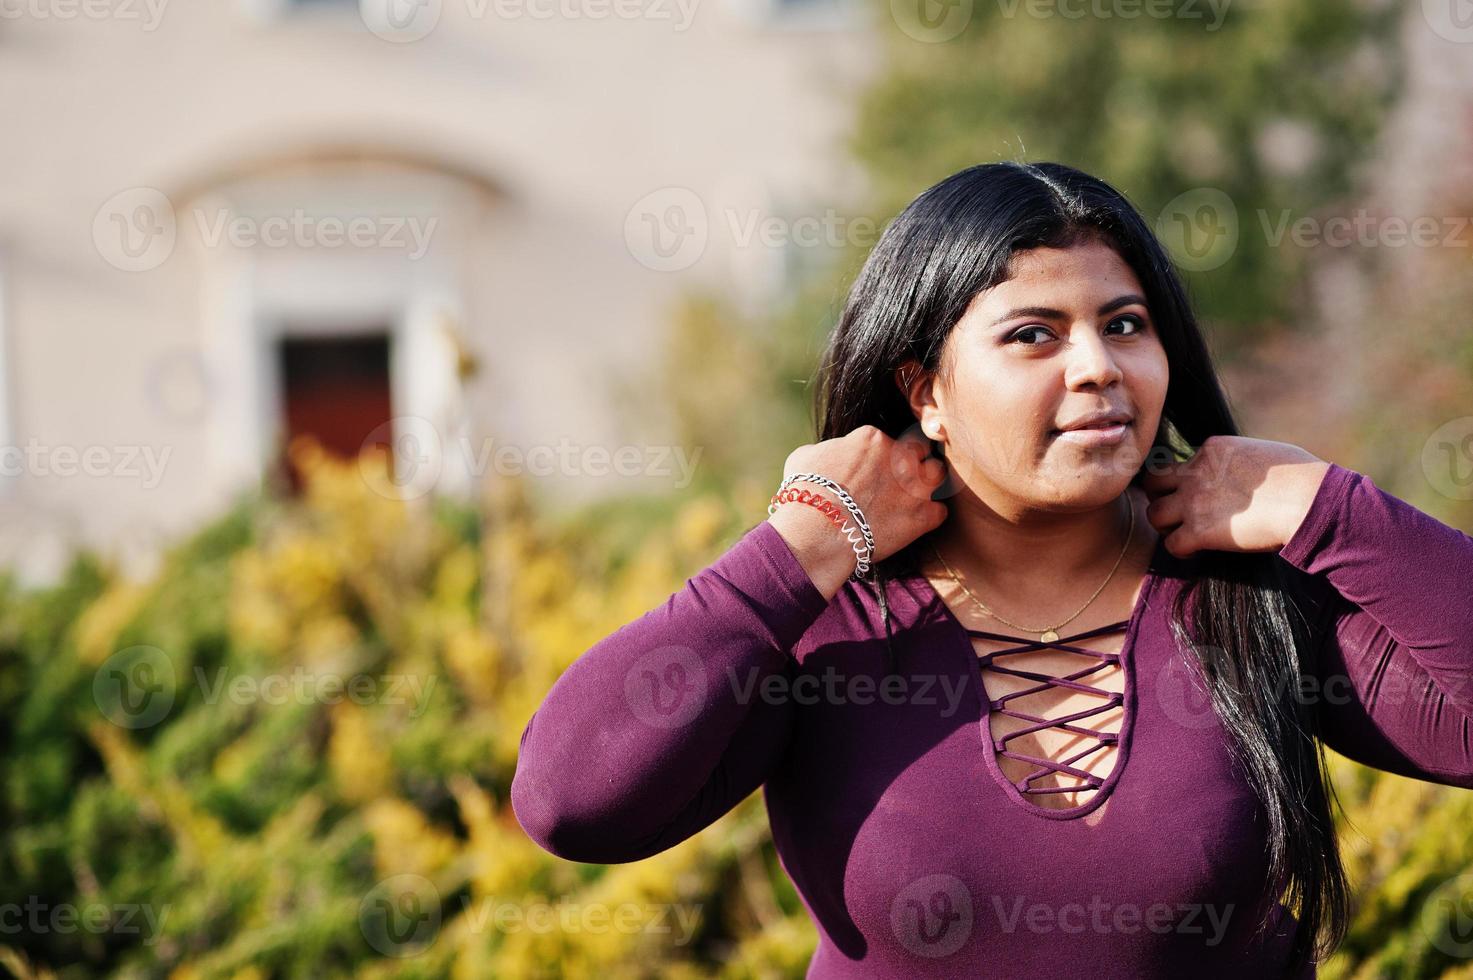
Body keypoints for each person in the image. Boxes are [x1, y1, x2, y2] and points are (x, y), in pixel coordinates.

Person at [510, 161, 1473, 978]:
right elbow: (572, 806)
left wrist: (1336, 512)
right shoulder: (828, 627)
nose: (1097, 366)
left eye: (1125, 325)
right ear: (925, 391)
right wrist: (792, 552)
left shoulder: (1246, 602)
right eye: (1033, 334)